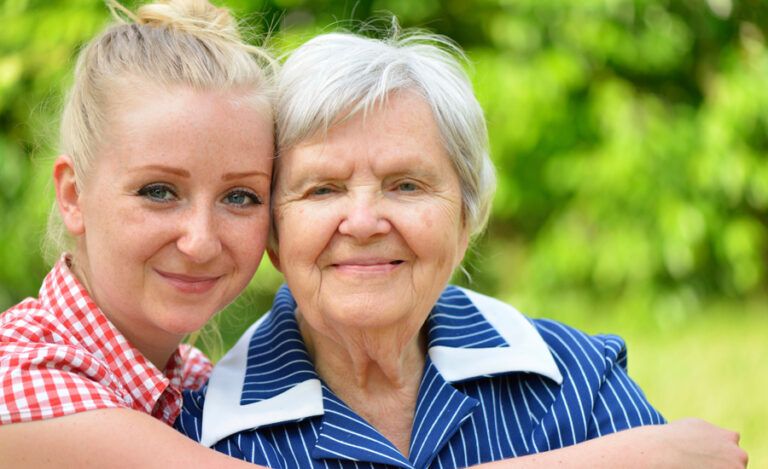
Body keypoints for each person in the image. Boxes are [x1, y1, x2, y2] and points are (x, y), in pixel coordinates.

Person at [175, 30, 748, 468]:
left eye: (406, 185)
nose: (366, 221)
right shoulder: (201, 432)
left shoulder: (577, 380)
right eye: (323, 189)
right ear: (274, 233)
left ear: (467, 214)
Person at [0, 0, 277, 467]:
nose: (201, 241)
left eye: (240, 197)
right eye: (159, 191)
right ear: (73, 196)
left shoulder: (194, 378)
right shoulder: (16, 374)